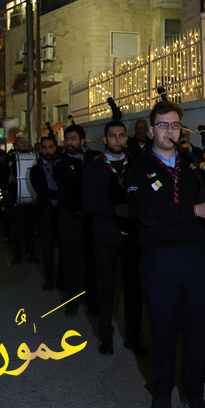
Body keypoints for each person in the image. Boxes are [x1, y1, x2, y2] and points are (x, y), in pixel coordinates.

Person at [127, 100, 205, 408]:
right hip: (159, 258)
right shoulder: (138, 167)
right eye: (162, 125)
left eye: (175, 125)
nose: (169, 131)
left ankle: (193, 391)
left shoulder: (195, 163)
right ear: (151, 130)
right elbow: (147, 213)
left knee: (198, 329)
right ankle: (162, 391)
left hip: (197, 257)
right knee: (163, 329)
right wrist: (194, 210)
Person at [82, 120, 146, 356]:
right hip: (105, 233)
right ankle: (105, 337)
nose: (117, 140)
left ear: (126, 138)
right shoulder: (93, 168)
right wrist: (115, 209)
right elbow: (87, 203)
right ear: (105, 139)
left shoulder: (136, 165)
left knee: (133, 288)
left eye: (121, 135)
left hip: (133, 235)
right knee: (105, 286)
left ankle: (133, 338)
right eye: (112, 136)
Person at [55, 123, 100, 315]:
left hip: (90, 218)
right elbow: (76, 183)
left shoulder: (93, 159)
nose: (69, 143)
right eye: (66, 139)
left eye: (73, 139)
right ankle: (74, 298)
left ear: (82, 141)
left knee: (92, 260)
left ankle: (92, 301)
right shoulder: (60, 162)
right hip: (69, 217)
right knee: (71, 259)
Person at [30, 135, 61, 291]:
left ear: (55, 148)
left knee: (65, 247)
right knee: (47, 248)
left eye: (50, 147)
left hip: (63, 212)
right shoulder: (37, 169)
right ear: (40, 149)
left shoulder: (61, 165)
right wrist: (62, 194)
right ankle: (49, 279)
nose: (47, 151)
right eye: (44, 148)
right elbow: (43, 192)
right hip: (47, 212)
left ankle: (62, 279)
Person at [8, 135, 38, 264]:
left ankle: (30, 253)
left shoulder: (34, 158)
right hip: (16, 198)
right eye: (21, 142)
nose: (24, 144)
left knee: (30, 229)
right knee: (18, 229)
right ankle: (18, 255)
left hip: (31, 200)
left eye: (25, 142)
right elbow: (2, 178)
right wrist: (9, 180)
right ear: (16, 146)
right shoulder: (10, 160)